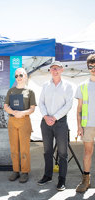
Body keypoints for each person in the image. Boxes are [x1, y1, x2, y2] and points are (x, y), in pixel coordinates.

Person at [38, 61, 73, 191]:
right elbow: (41, 102)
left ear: (62, 70)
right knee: (47, 151)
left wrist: (55, 117)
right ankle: (47, 176)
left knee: (63, 153)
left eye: (57, 68)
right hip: (46, 122)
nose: (55, 70)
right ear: (50, 71)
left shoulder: (68, 86)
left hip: (60, 123)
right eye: (53, 68)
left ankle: (62, 180)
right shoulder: (45, 85)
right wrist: (46, 116)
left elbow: (68, 105)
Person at [4, 68, 36, 183]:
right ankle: (15, 170)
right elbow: (6, 106)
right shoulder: (11, 91)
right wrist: (14, 113)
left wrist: (22, 113)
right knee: (14, 147)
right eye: (16, 76)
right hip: (12, 121)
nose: (18, 78)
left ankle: (25, 171)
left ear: (26, 76)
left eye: (21, 75)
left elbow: (32, 109)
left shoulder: (30, 92)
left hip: (24, 121)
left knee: (24, 148)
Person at [75, 54, 95, 193]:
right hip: (87, 125)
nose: (93, 68)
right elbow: (79, 109)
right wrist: (79, 127)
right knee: (88, 152)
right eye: (91, 66)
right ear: (88, 67)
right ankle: (86, 180)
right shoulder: (82, 86)